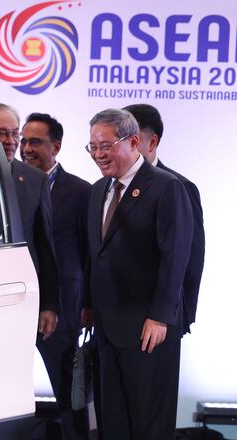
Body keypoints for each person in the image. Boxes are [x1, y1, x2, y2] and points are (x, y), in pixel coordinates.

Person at [82, 108, 192, 439]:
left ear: (133, 142)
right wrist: (88, 305)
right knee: (113, 423)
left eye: (106, 146)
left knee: (148, 425)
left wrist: (160, 317)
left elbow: (175, 257)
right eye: (92, 147)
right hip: (107, 327)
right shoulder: (98, 190)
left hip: (147, 328)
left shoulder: (166, 187)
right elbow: (95, 254)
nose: (98, 155)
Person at [0, 102, 59, 339]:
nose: (11, 141)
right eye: (2, 133)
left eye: (15, 133)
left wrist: (48, 304)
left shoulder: (36, 180)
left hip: (19, 294)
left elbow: (44, 245)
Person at [20, 113, 91, 439]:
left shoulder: (80, 192)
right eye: (23, 141)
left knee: (69, 396)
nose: (26, 148)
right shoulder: (11, 185)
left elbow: (90, 255)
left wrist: (88, 304)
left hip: (63, 309)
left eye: (35, 142)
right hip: (14, 304)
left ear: (57, 146)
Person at [123, 103, 205, 334]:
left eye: (132, 140)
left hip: (159, 319)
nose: (125, 147)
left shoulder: (180, 186)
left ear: (152, 142)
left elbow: (191, 258)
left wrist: (181, 316)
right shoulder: (110, 186)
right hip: (115, 314)